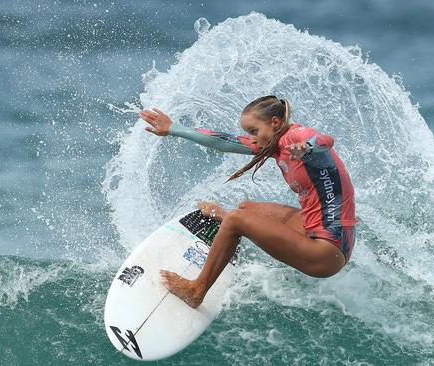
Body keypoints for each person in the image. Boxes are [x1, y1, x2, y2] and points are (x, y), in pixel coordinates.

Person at [139, 96, 357, 308]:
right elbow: (222, 141)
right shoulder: (275, 143)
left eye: (254, 131)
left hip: (327, 251)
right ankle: (230, 229)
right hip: (321, 232)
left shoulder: (296, 137)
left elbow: (325, 140)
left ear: (275, 122)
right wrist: (173, 128)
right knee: (245, 209)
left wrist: (306, 147)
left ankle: (196, 291)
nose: (253, 138)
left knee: (236, 219)